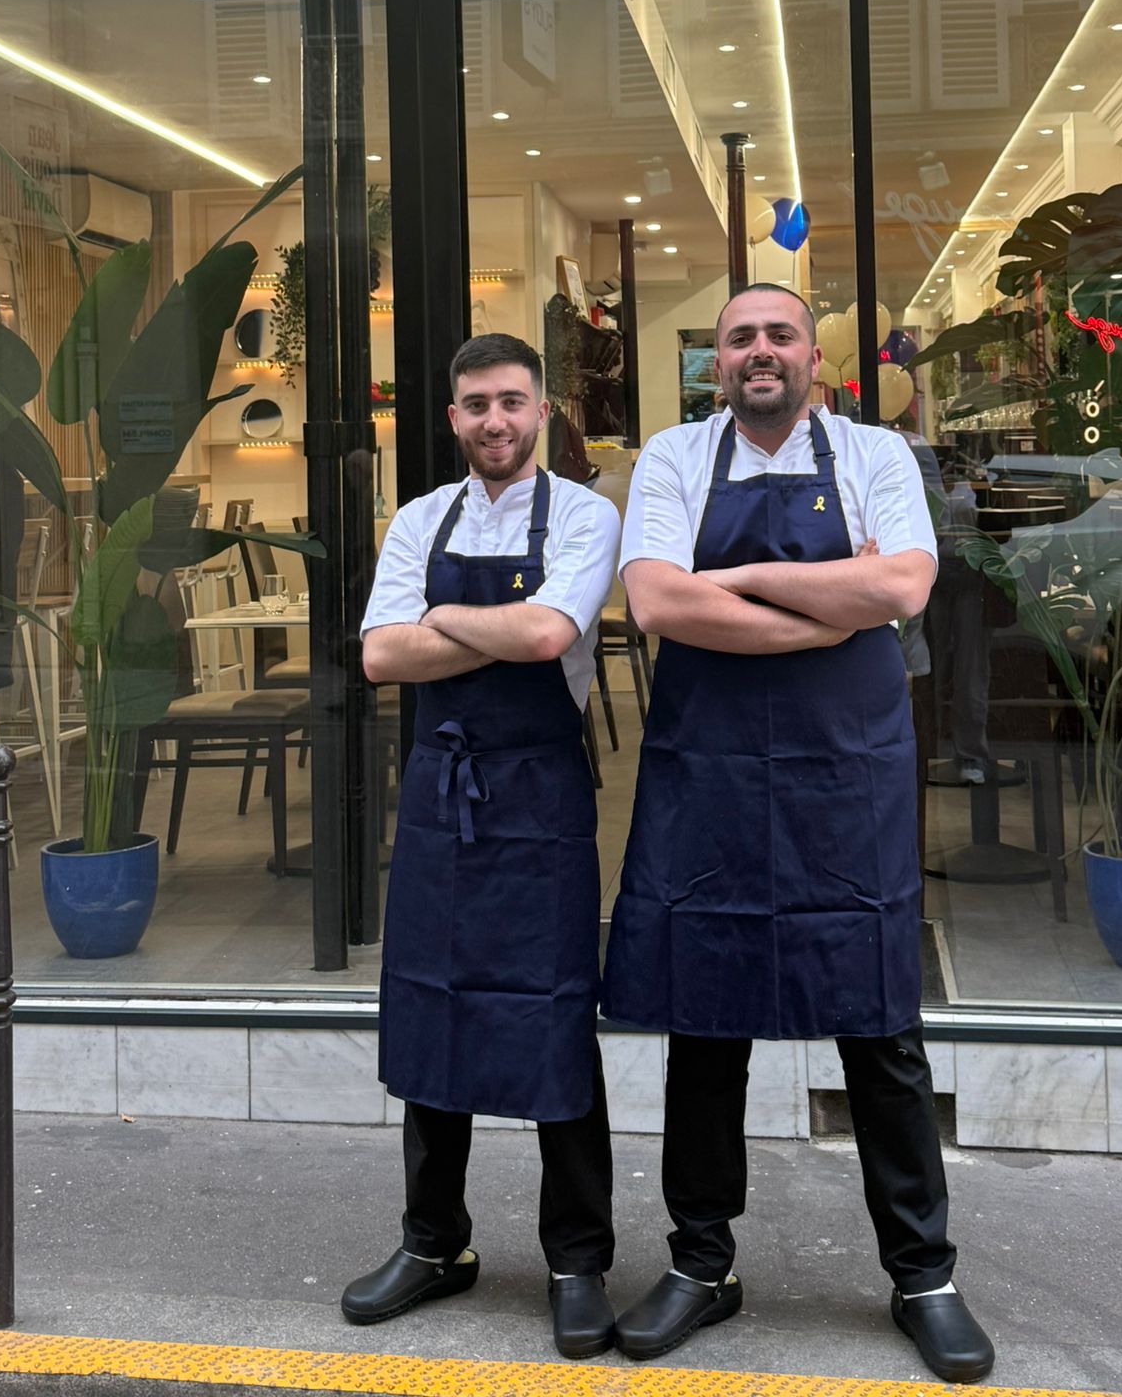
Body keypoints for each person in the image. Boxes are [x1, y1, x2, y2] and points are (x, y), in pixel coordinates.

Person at [602, 283, 995, 1382]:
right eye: (740, 338)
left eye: (779, 333)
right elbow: (658, 606)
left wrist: (738, 578)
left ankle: (924, 1274)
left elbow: (905, 585)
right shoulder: (675, 460)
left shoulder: (874, 453)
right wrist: (831, 600)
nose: (760, 351)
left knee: (879, 1024)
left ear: (811, 355)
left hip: (844, 773)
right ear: (716, 362)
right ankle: (700, 1262)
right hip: (710, 774)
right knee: (705, 1017)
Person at [344, 333, 622, 1360]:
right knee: (431, 1007)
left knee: (556, 1022)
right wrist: (499, 618)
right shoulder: (422, 516)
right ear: (452, 418)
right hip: (440, 799)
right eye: (475, 404)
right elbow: (380, 653)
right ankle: (433, 1240)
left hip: (543, 800)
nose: (494, 419)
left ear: (542, 410)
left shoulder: (588, 514)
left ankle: (577, 1257)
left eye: (512, 400)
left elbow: (553, 636)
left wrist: (443, 622)